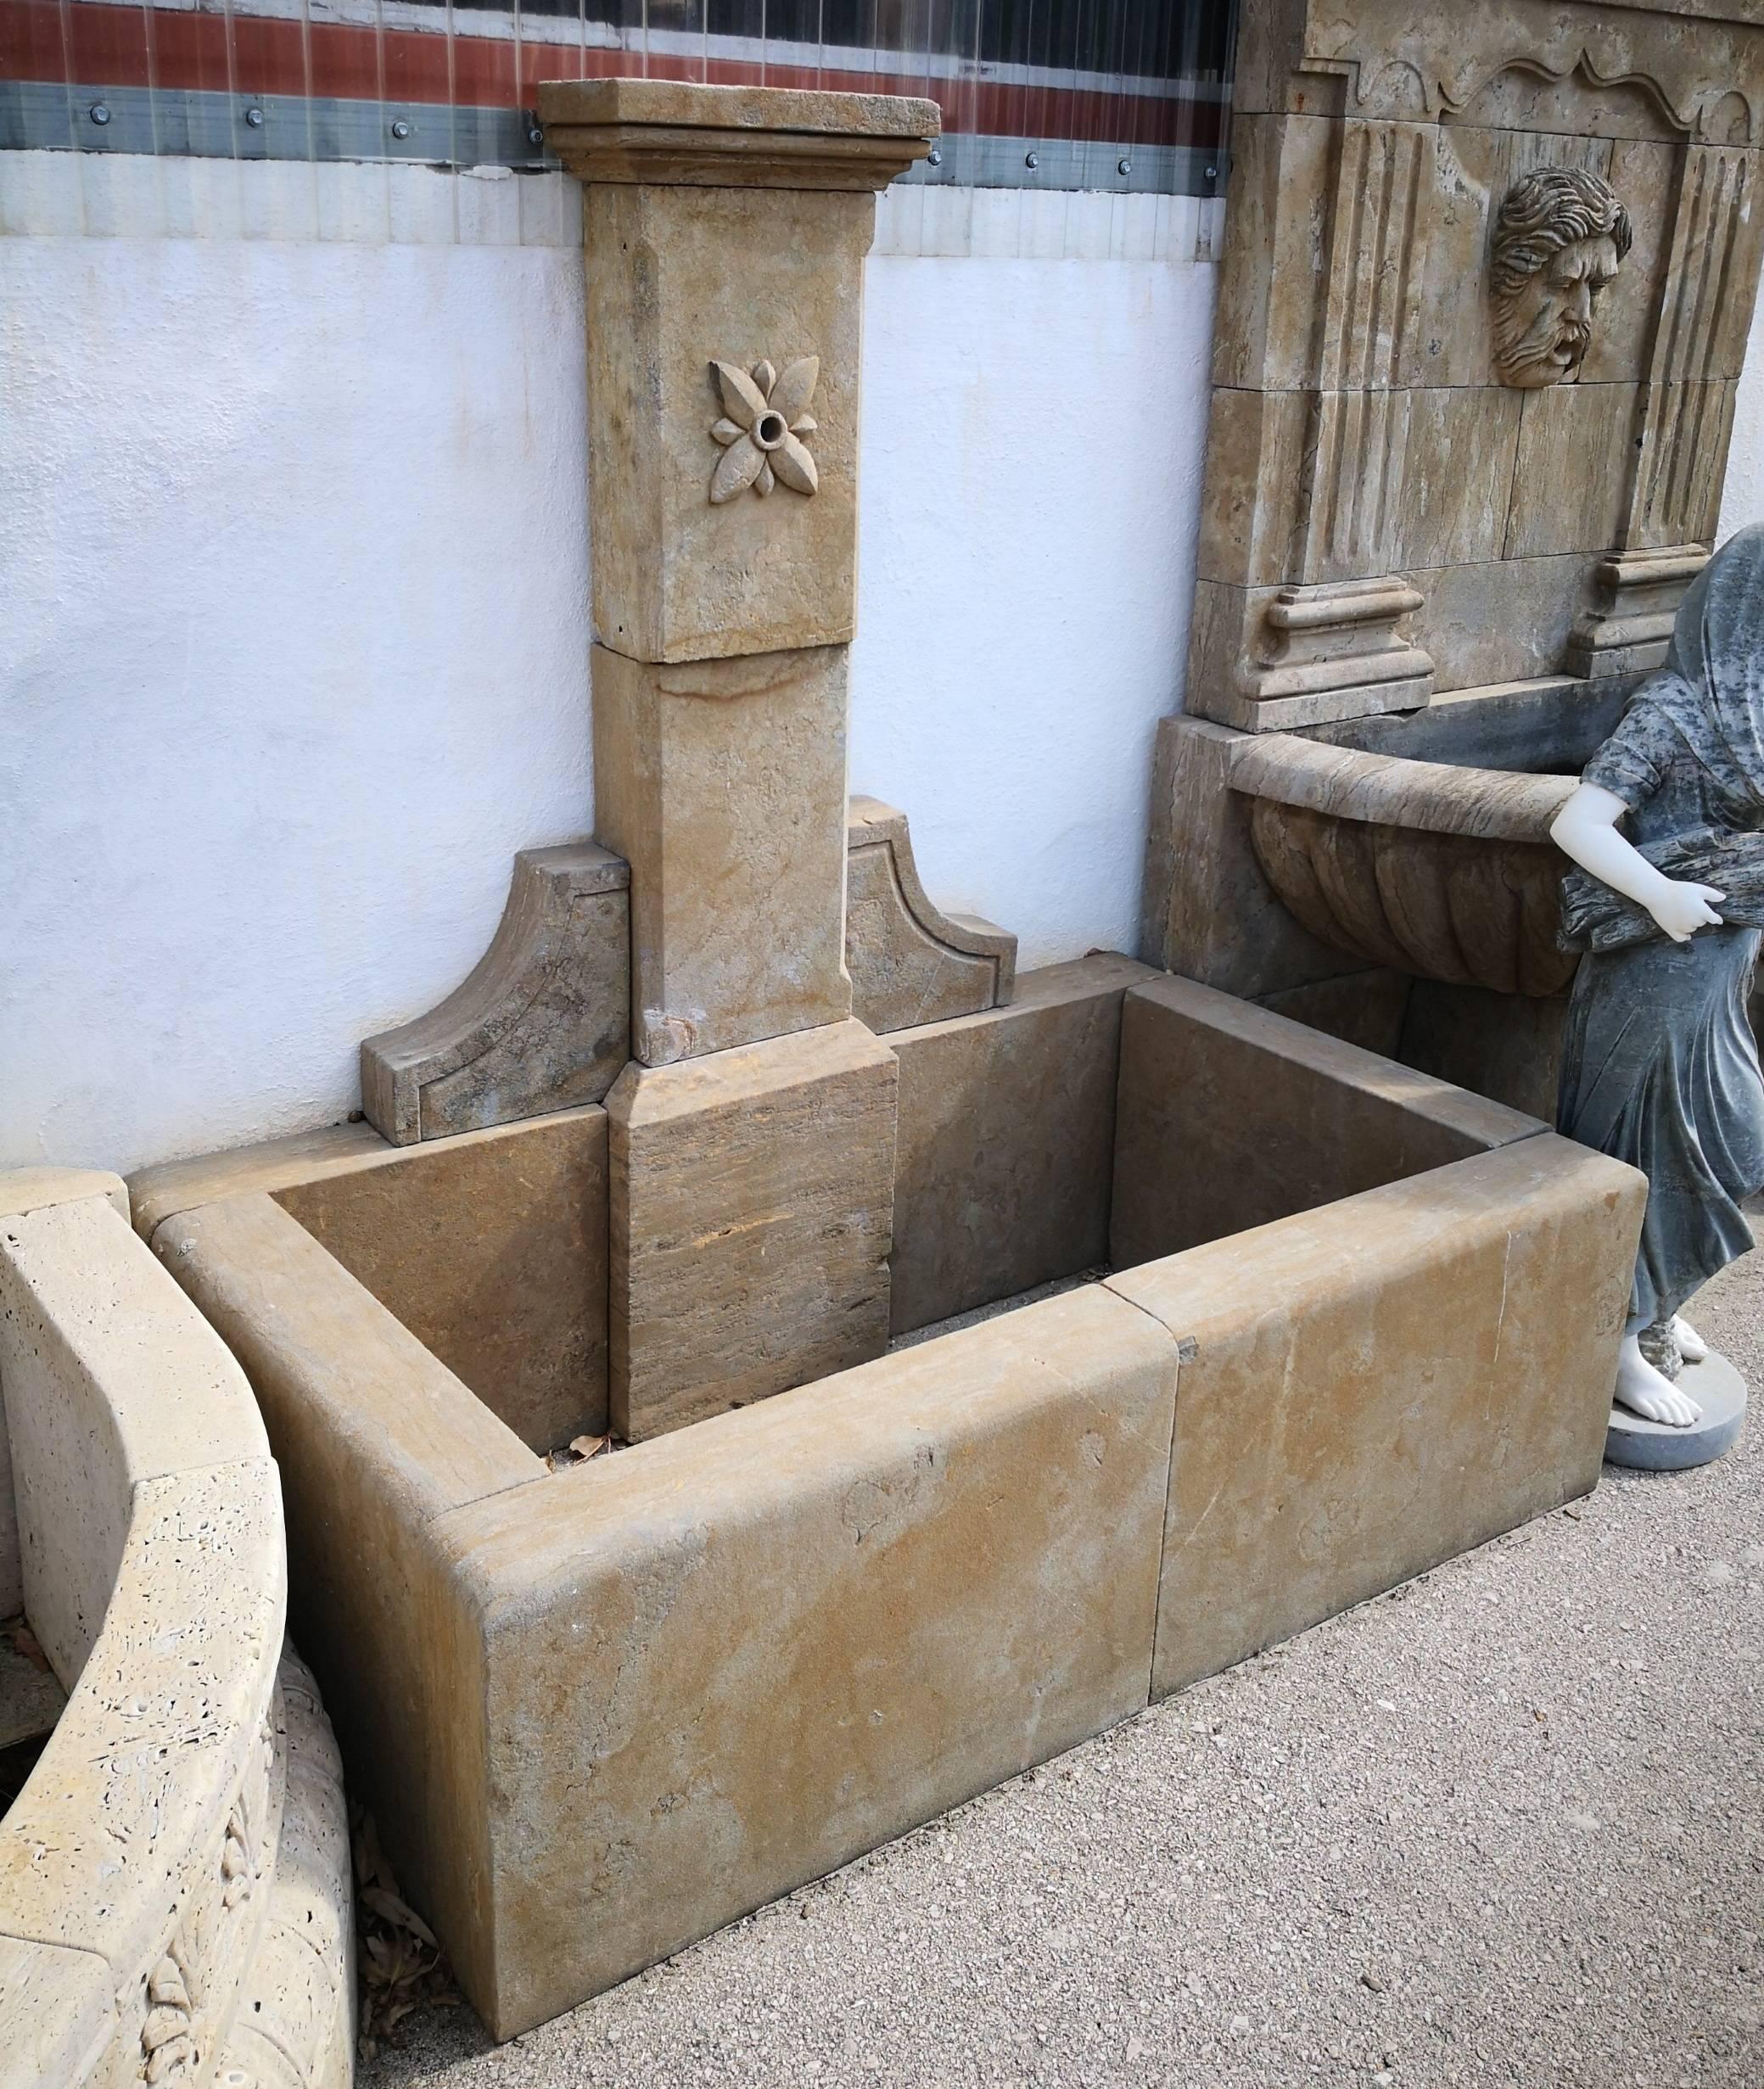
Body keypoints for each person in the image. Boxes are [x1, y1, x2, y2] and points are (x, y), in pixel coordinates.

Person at [1551, 524, 1764, 1425]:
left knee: (1730, 1144)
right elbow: (1577, 822)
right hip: (1654, 970)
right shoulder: (1673, 710)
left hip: (1719, 975)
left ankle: (1656, 1309)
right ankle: (1612, 1339)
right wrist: (1663, 892)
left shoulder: (1752, 707)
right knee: (1645, 1147)